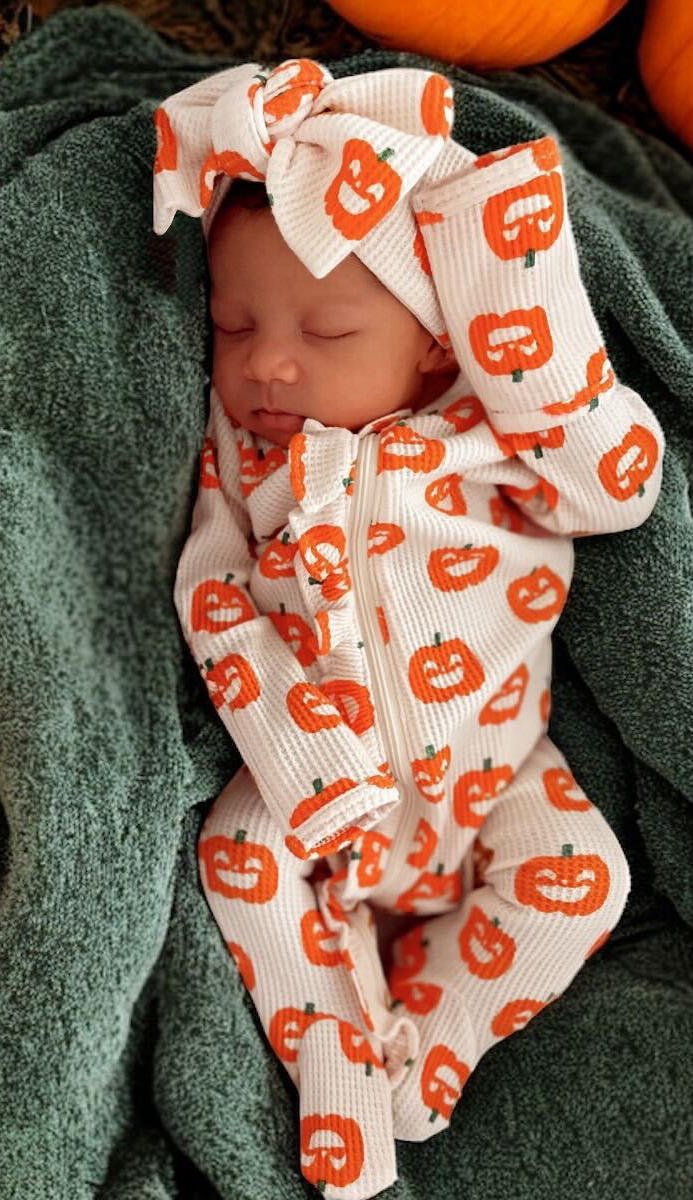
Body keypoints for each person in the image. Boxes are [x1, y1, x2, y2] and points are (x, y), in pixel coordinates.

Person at [153, 58, 665, 1199]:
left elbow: (617, 485)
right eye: (233, 326)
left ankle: (424, 1053)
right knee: (236, 859)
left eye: (325, 331)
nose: (265, 362)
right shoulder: (248, 465)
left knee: (585, 876)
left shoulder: (496, 440)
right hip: (319, 789)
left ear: (437, 341)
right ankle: (339, 1075)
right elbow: (214, 598)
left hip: (493, 777)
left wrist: (508, 287)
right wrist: (310, 767)